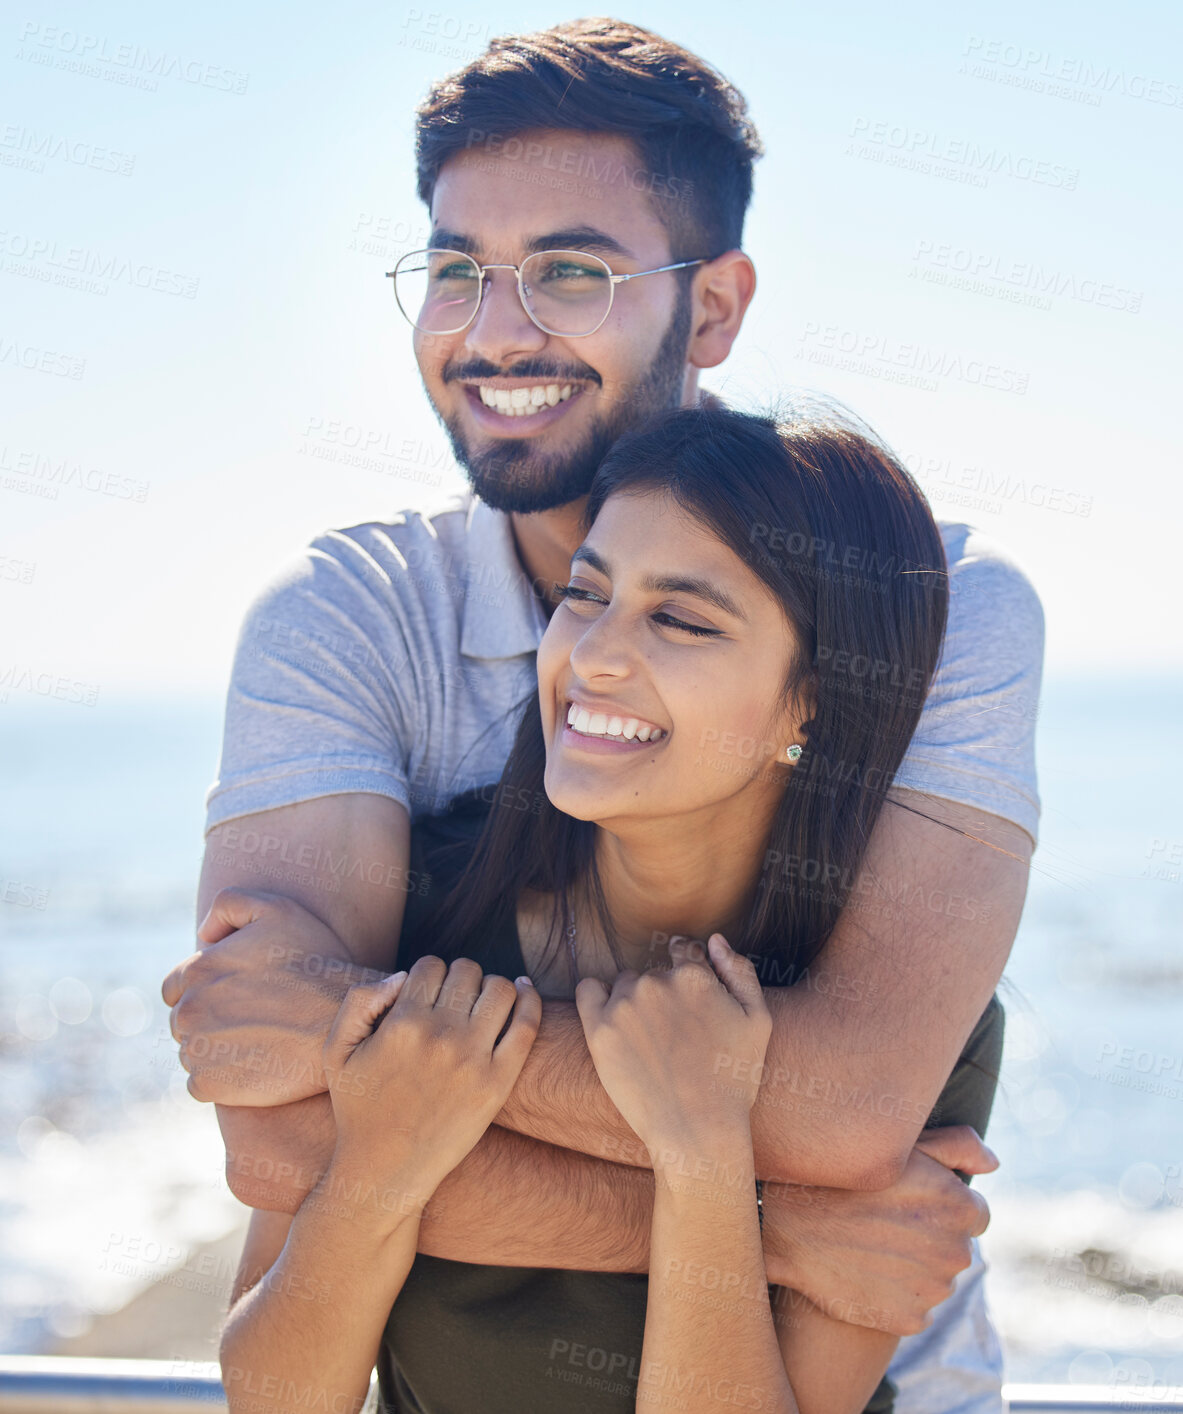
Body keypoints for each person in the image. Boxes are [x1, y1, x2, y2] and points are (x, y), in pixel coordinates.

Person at [162, 19, 1042, 1413]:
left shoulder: (925, 596)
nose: (494, 327)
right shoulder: (346, 614)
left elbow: (850, 1106)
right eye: (455, 269)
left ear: (709, 308)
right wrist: (774, 1228)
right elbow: (273, 1142)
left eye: (569, 269)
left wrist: (358, 1033)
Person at [218, 402, 1006, 1414]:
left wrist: (704, 1151)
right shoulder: (423, 915)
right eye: (584, 596)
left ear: (812, 703)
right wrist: (380, 1156)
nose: (591, 657)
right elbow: (275, 1400)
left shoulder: (894, 1031)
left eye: (679, 618)